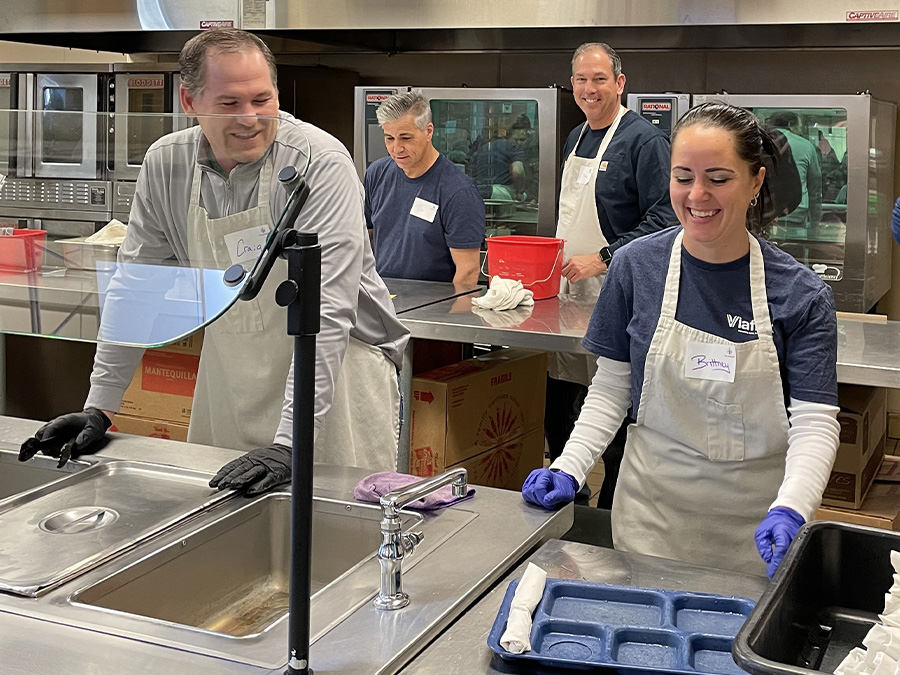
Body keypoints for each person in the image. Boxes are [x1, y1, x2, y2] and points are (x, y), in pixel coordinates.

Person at [18, 28, 410, 494]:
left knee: (340, 541)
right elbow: (136, 288)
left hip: (338, 375)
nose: (251, 119)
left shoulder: (320, 162)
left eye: (262, 100)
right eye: (229, 104)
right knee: (224, 532)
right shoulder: (167, 164)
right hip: (230, 370)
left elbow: (328, 311)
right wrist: (99, 406)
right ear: (189, 100)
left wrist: (288, 443)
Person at [522, 102, 841, 578]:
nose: (697, 195)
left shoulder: (800, 293)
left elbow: (814, 422)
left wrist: (793, 507)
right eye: (683, 177)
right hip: (651, 517)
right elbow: (611, 389)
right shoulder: (634, 267)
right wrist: (568, 466)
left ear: (755, 181)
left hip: (756, 527)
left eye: (718, 178)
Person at [546, 42, 675, 508]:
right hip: (569, 292)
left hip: (621, 291)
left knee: (616, 401)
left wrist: (605, 256)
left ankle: (613, 506)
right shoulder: (576, 136)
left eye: (599, 78)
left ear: (620, 83)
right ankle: (569, 493)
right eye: (581, 79)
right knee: (566, 399)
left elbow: (667, 215)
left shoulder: (644, 141)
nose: (589, 88)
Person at [364, 90, 485, 286]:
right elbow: (365, 238)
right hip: (384, 299)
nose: (396, 148)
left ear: (428, 132)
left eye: (406, 138)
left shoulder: (457, 192)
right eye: (389, 138)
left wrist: (455, 315)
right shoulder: (377, 174)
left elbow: (468, 272)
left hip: (433, 306)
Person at [767, 111, 823, 229]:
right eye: (799, 127)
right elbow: (815, 187)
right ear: (791, 125)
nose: (801, 131)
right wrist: (815, 222)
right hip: (796, 214)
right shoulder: (806, 146)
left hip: (765, 214)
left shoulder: (760, 142)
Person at [469, 121, 526, 202]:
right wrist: (520, 191)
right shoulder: (513, 146)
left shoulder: (479, 151)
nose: (519, 142)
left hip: (478, 193)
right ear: (509, 134)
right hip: (500, 194)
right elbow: (518, 172)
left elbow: (471, 176)